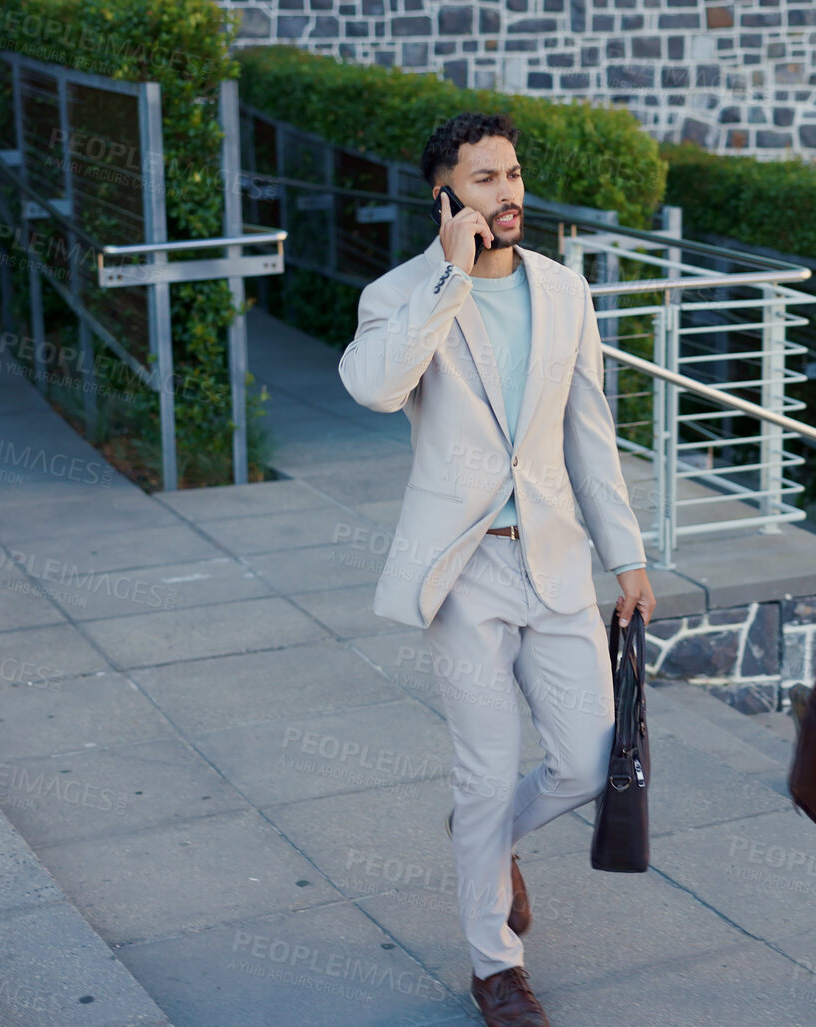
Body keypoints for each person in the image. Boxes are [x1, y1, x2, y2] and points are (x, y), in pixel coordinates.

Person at [338, 111, 655, 1027]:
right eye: (483, 179)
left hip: (555, 563)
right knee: (484, 772)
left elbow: (588, 433)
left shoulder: (564, 292)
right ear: (443, 194)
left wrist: (626, 553)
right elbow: (373, 387)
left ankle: (483, 844)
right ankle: (495, 966)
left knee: (592, 762)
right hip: (463, 571)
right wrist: (448, 275)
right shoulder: (400, 293)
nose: (508, 193)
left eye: (511, 174)